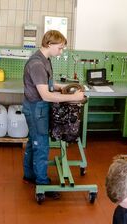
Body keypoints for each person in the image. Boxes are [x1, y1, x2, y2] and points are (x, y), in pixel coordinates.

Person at [22, 30, 87, 185]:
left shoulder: (45, 59)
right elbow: (45, 95)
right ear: (49, 44)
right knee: (41, 145)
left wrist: (60, 86)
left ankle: (29, 174)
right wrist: (73, 97)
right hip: (36, 108)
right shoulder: (37, 64)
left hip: (37, 107)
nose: (61, 51)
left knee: (34, 141)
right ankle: (42, 183)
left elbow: (46, 83)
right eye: (60, 47)